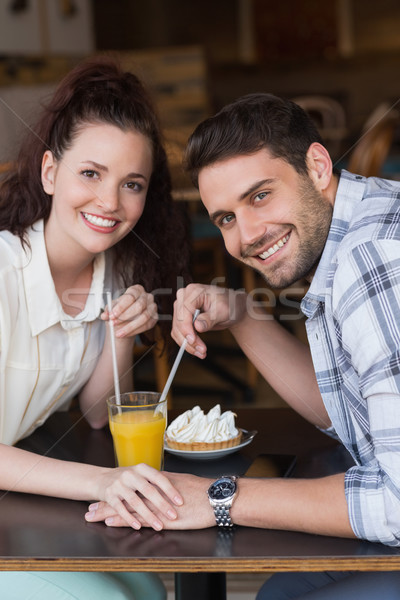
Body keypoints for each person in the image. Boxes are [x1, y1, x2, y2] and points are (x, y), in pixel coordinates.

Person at [86, 93, 400, 598]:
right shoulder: (360, 220)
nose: (245, 237)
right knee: (276, 592)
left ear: (317, 166)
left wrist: (217, 497)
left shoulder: (373, 262)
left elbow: (396, 503)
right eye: (225, 218)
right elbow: (349, 409)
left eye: (259, 196)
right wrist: (242, 315)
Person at [0, 56, 191, 599]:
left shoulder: (115, 271)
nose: (110, 203)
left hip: (19, 492)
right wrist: (104, 481)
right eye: (91, 174)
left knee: (151, 589)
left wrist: (122, 333)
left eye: (132, 184)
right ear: (49, 172)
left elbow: (95, 414)